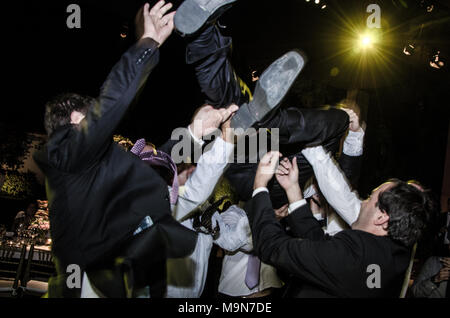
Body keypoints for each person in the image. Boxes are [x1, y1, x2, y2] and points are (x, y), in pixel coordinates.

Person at [33, 1, 234, 298]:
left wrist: (194, 132)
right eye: (93, 123)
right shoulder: (63, 156)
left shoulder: (96, 175)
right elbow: (111, 103)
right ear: (75, 121)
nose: (103, 134)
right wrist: (147, 43)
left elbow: (148, 168)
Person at [247, 150, 434, 297]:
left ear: (381, 218)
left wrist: (260, 186)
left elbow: (272, 246)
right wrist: (293, 189)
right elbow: (321, 245)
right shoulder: (394, 254)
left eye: (370, 198)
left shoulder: (354, 256)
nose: (363, 202)